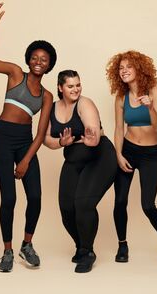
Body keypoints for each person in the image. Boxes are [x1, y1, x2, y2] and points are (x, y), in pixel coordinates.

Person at [0, 3, 56, 272]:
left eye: (44, 59)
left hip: (25, 141)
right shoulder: (15, 73)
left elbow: (40, 133)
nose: (38, 61)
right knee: (8, 198)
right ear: (28, 58)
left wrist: (25, 161)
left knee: (35, 197)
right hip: (2, 137)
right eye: (35, 57)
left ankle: (27, 245)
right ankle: (7, 250)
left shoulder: (46, 96)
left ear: (49, 66)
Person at [43, 70, 117, 273]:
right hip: (74, 159)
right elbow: (45, 138)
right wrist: (61, 141)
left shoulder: (85, 103)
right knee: (66, 208)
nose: (76, 89)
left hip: (99, 157)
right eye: (70, 86)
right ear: (60, 88)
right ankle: (81, 244)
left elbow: (93, 132)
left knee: (83, 203)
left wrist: (92, 138)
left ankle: (88, 251)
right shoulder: (52, 108)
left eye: (78, 85)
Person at [106, 51, 157, 263]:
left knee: (148, 205)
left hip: (150, 155)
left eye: (128, 67)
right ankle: (122, 245)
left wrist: (150, 107)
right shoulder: (120, 97)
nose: (124, 70)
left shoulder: (155, 92)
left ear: (139, 69)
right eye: (120, 68)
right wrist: (118, 154)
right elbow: (118, 128)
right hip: (128, 150)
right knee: (120, 201)